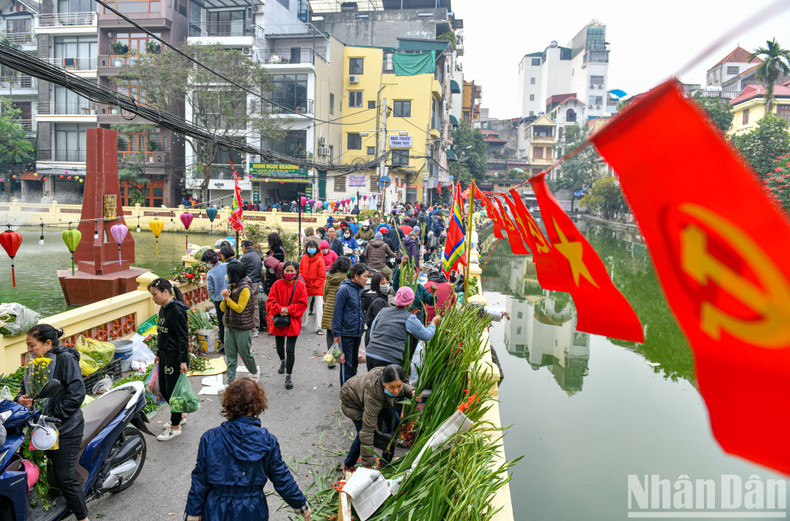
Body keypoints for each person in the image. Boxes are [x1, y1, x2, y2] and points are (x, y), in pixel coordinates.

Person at [185, 378, 311, 521]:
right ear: (258, 405)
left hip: (216, 509)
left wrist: (192, 514)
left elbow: (200, 481)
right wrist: (301, 505)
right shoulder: (267, 441)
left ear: (228, 403)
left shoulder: (210, 438)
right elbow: (281, 477)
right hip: (252, 510)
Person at [16, 325, 89, 521]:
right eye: (28, 346)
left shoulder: (64, 359)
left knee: (65, 477)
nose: (29, 350)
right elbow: (26, 387)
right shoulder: (35, 361)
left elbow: (76, 394)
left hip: (65, 426)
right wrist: (20, 399)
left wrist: (55, 416)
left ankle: (83, 517)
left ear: (48, 343)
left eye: (32, 345)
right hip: (42, 426)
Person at [340, 365, 415, 471]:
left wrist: (411, 391)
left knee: (396, 424)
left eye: (399, 386)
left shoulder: (390, 376)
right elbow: (367, 432)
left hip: (380, 400)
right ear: (383, 383)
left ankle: (385, 462)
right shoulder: (373, 396)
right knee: (363, 433)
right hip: (353, 401)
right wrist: (368, 465)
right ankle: (348, 465)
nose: (396, 391)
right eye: (392, 387)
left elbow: (399, 386)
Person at [147, 278, 190, 441]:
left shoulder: (177, 311)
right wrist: (158, 353)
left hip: (175, 357)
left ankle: (175, 426)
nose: (153, 298)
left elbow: (182, 337)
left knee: (172, 390)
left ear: (166, 292)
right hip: (164, 355)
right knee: (164, 388)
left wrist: (183, 360)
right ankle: (180, 415)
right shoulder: (163, 309)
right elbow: (162, 334)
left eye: (155, 295)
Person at [366, 287, 439, 370]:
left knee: (373, 381)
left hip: (370, 354)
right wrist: (433, 323)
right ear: (411, 301)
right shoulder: (409, 318)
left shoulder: (383, 311)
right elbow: (426, 336)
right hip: (388, 358)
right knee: (386, 382)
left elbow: (372, 332)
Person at [266, 261, 308, 389]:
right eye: (287, 271)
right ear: (283, 272)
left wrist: (288, 310)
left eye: (292, 271)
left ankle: (288, 376)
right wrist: (280, 309)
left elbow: (303, 304)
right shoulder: (277, 285)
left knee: (290, 349)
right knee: (279, 347)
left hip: (293, 322)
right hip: (279, 320)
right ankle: (282, 361)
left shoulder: (300, 286)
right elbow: (270, 302)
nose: (289, 273)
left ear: (296, 272)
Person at [221, 262, 258, 384]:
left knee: (245, 354)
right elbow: (222, 308)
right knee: (230, 357)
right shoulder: (230, 286)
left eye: (228, 273)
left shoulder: (245, 288)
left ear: (234, 274)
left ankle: (254, 372)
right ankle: (230, 382)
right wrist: (224, 299)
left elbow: (239, 308)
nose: (226, 275)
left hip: (242, 327)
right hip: (229, 325)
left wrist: (228, 299)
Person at [332, 263, 368, 386]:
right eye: (364, 276)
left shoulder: (360, 290)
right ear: (356, 276)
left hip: (357, 332)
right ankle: (345, 392)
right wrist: (336, 333)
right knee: (346, 364)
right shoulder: (344, 290)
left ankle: (352, 388)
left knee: (354, 362)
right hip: (346, 333)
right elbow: (337, 312)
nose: (366, 279)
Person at [321, 256, 352, 350]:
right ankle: (343, 355)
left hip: (329, 309)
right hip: (342, 310)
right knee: (342, 335)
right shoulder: (347, 279)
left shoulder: (329, 278)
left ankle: (332, 358)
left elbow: (325, 295)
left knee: (330, 334)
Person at [202, 249, 227, 350]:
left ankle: (225, 346)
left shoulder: (211, 273)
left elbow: (211, 290)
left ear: (210, 261)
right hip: (230, 297)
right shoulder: (227, 266)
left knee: (222, 323)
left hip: (219, 300)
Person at [300, 240, 326, 335]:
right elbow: (301, 271)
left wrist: (314, 285)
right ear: (307, 248)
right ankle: (303, 323)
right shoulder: (304, 258)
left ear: (316, 248)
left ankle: (318, 327)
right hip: (306, 286)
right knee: (305, 306)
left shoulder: (320, 260)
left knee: (319, 308)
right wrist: (303, 282)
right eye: (309, 247)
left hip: (317, 287)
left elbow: (322, 276)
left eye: (313, 247)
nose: (311, 249)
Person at [239, 240, 263, 338]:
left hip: (249, 284)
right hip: (257, 283)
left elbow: (240, 269)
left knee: (248, 306)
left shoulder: (245, 257)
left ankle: (252, 329)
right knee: (255, 305)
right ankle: (256, 326)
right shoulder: (257, 255)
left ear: (244, 247)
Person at [362, 272, 390, 347]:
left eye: (387, 282)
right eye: (383, 283)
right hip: (376, 339)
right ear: (376, 285)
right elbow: (380, 323)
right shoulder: (379, 302)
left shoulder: (373, 297)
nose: (386, 285)